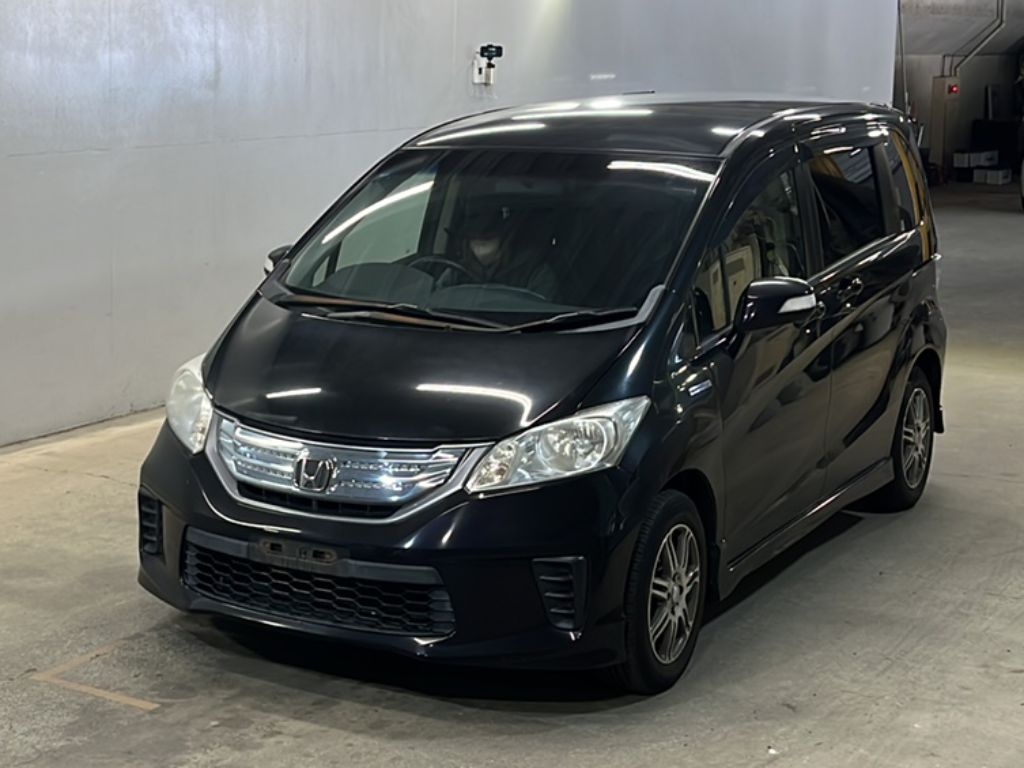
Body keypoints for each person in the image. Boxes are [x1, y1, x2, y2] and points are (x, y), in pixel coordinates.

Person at [441, 205, 558, 299]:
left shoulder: (534, 273)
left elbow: (544, 315)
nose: (479, 245)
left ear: (505, 239)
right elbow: (437, 302)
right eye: (473, 238)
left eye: (487, 238)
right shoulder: (455, 273)